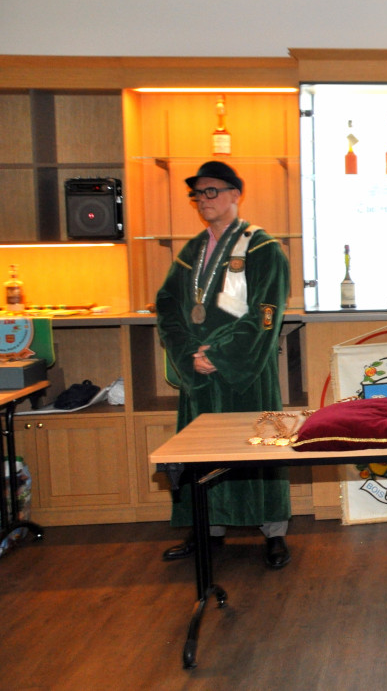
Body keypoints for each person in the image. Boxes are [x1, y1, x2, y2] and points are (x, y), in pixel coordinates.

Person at [157, 160, 293, 569]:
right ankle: (206, 528)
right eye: (198, 194)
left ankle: (274, 532)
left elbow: (267, 312)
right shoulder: (192, 252)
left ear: (236, 194)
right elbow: (167, 304)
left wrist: (219, 355)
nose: (204, 199)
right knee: (201, 453)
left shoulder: (262, 247)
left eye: (212, 191)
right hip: (199, 372)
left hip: (244, 371)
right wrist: (189, 355)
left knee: (259, 448)